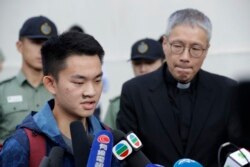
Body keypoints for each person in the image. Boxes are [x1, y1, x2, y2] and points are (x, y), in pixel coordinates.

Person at [117, 8, 242, 167]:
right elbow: (126, 153)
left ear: (206, 51)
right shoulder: (135, 92)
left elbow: (238, 152)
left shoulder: (227, 91)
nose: (185, 57)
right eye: (177, 46)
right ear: (164, 44)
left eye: (195, 49)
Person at [0, 31, 121, 166]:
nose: (91, 92)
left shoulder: (109, 139)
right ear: (51, 84)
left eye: (97, 80)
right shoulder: (23, 144)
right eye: (79, 82)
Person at [0, 16, 58, 143]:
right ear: (19, 46)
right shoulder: (2, 92)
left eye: (48, 44)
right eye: (36, 42)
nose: (42, 49)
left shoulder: (62, 91)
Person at [104, 38, 165, 129]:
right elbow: (108, 138)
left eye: (149, 62)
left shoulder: (173, 97)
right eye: (137, 63)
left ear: (163, 62)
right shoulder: (117, 105)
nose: (143, 69)